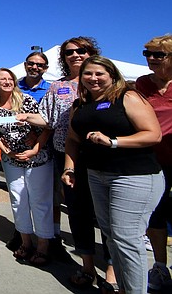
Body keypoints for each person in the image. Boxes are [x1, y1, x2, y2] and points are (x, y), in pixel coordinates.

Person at [18, 36, 116, 289]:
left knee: (107, 215)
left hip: (104, 158)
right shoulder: (57, 87)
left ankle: (112, 270)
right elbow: (47, 120)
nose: (75, 55)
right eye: (69, 52)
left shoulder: (108, 83)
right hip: (66, 155)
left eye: (81, 50)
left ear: (91, 52)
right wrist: (27, 117)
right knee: (78, 211)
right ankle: (86, 267)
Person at [64, 55, 164, 294]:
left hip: (133, 176)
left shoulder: (127, 97)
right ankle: (124, 287)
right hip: (97, 176)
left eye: (99, 73)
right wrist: (69, 167)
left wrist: (113, 142)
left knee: (127, 239)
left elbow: (153, 134)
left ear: (112, 75)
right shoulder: (80, 105)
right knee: (111, 237)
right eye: (88, 74)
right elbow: (72, 139)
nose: (93, 78)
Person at [0, 68, 53, 266]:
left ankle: (43, 247)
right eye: (2, 79)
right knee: (18, 200)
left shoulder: (26, 100)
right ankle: (26, 243)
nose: (7, 82)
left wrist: (35, 149)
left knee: (39, 201)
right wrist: (6, 151)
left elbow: (46, 125)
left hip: (37, 159)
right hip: (11, 160)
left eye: (10, 79)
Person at [136, 35, 172, 291]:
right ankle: (160, 267)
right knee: (156, 215)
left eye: (158, 54)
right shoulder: (142, 84)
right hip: (152, 159)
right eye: (147, 53)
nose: (150, 58)